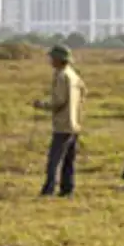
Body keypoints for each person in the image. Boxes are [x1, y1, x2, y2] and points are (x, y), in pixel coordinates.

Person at [39, 44, 85, 198]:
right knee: (68, 160)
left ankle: (49, 189)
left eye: (52, 58)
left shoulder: (61, 76)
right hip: (75, 123)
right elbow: (83, 92)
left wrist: (42, 105)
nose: (50, 60)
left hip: (63, 125)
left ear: (59, 59)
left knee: (54, 159)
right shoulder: (73, 74)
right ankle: (67, 189)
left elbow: (58, 101)